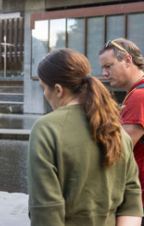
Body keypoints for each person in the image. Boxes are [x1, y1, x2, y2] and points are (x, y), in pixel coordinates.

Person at [28, 48, 142, 226]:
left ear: (58, 89)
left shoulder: (46, 128)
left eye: (44, 88)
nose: (44, 94)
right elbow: (132, 202)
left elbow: (46, 210)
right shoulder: (116, 129)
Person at [99, 38, 144, 224]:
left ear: (127, 60)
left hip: (139, 198)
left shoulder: (138, 96)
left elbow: (118, 151)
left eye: (108, 66)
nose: (104, 73)